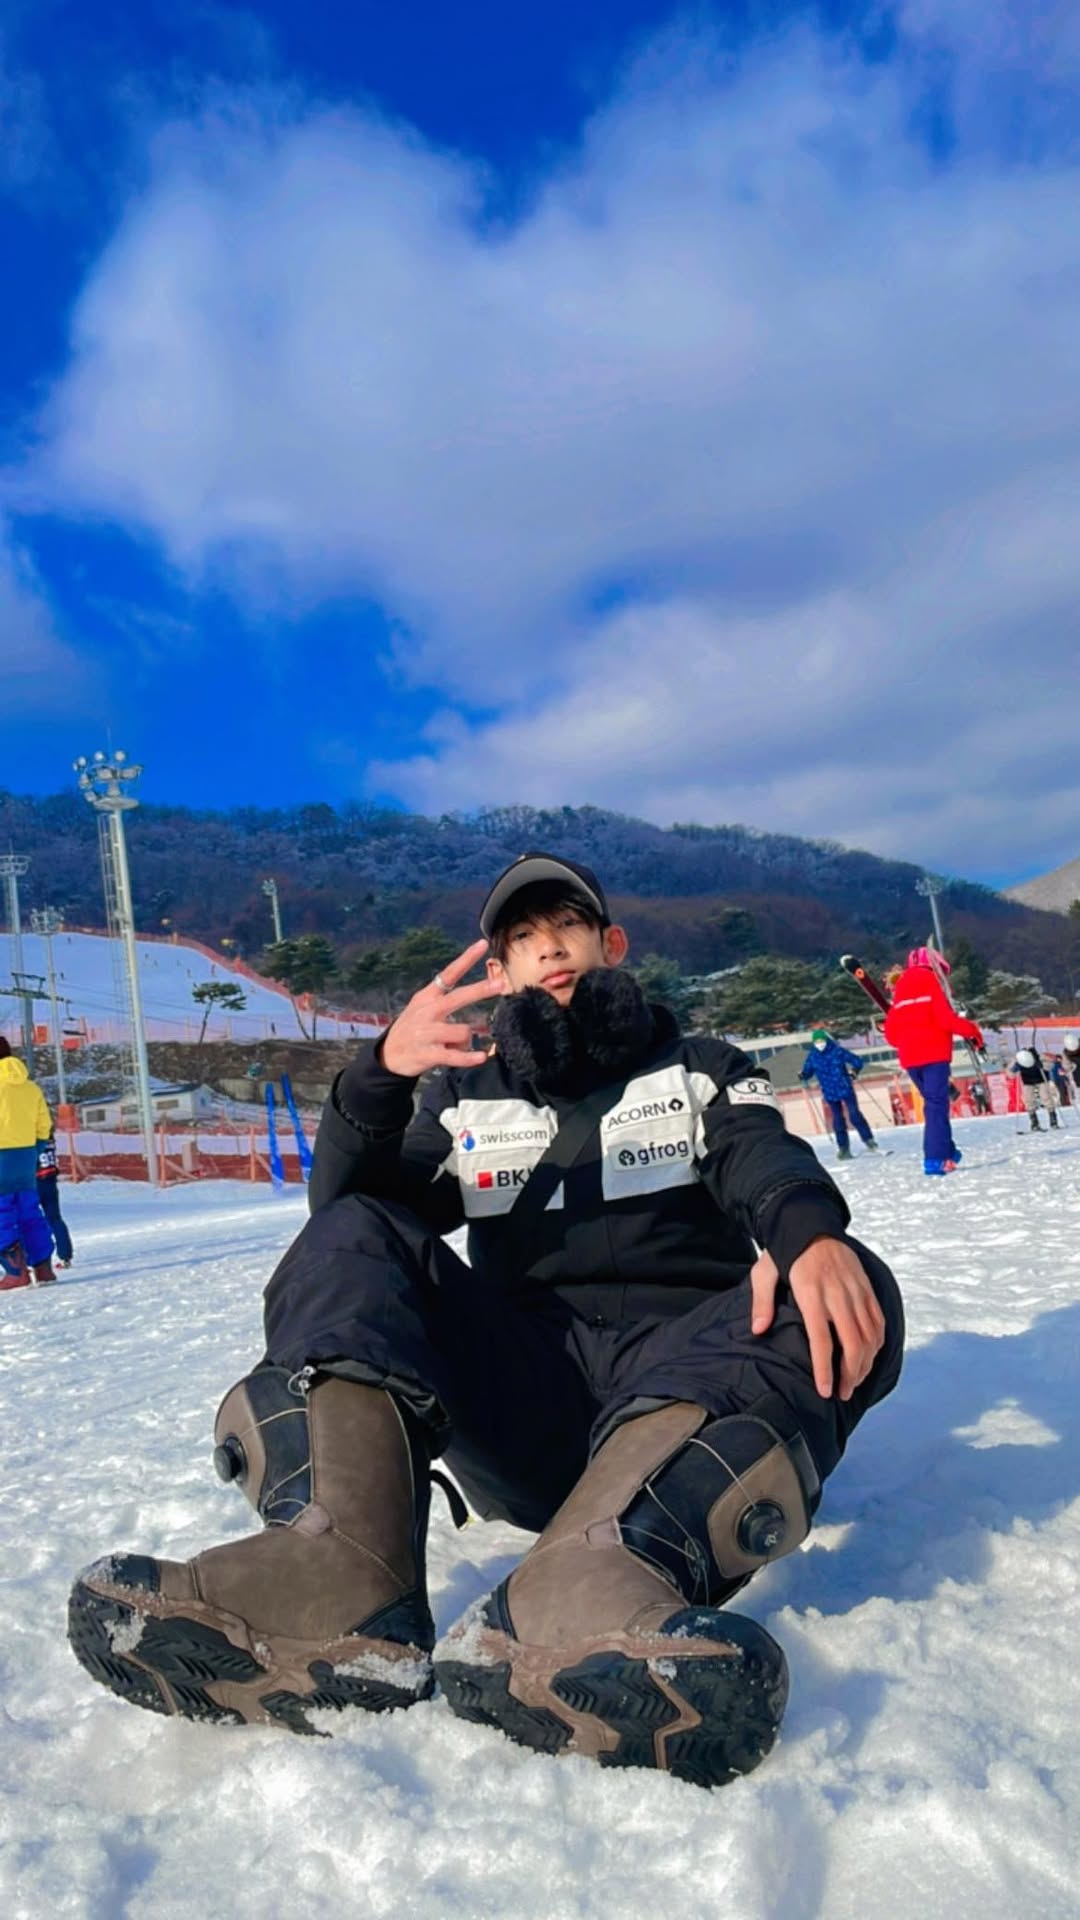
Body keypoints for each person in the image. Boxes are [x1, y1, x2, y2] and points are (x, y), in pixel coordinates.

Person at [68, 852, 904, 1790]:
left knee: (845, 1276)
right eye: (523, 938)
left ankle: (584, 1589)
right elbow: (352, 1231)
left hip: (685, 1395)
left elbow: (760, 1153)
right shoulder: (469, 1096)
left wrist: (805, 1232)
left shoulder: (700, 1067)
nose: (550, 948)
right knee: (355, 1230)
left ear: (611, 942)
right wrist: (378, 1077)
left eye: (568, 926)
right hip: (532, 1407)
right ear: (500, 973)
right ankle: (340, 1574)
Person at [882, 947, 985, 1176]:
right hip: (935, 1055)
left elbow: (891, 1035)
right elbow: (946, 1019)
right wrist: (972, 1031)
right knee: (936, 1106)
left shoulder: (900, 989)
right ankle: (936, 1159)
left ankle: (948, 1151)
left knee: (934, 1104)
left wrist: (909, 1038)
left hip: (910, 1058)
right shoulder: (931, 982)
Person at [0, 1037, 57, 1290]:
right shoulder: (30, 1087)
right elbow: (44, 1124)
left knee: (2, 1215)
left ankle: (16, 1272)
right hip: (25, 1156)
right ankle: (43, 1268)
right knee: (29, 1212)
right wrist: (35, 1150)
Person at [798, 1029, 879, 1160]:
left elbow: (857, 1061)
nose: (819, 1044)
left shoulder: (837, 1051)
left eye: (821, 1040)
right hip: (829, 1092)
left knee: (854, 1115)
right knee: (838, 1119)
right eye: (816, 1042)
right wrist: (803, 1075)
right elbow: (808, 1071)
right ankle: (843, 1148)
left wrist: (854, 1071)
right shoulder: (813, 1056)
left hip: (845, 1088)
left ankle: (869, 1140)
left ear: (826, 1040)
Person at [36, 1132, 73, 1266]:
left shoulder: (30, 1138)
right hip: (50, 1181)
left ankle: (31, 1260)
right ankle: (65, 1255)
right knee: (55, 1219)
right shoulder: (49, 1140)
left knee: (27, 1221)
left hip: (35, 1182)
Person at [1009, 1048, 1060, 1132]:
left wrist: (1043, 1065)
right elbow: (1010, 1074)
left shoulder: (1040, 1057)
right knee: (1028, 1099)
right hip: (1028, 1081)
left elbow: (1050, 1066)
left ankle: (1053, 1120)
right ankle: (1034, 1123)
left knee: (1046, 1097)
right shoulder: (1019, 1060)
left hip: (1041, 1079)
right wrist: (1013, 1069)